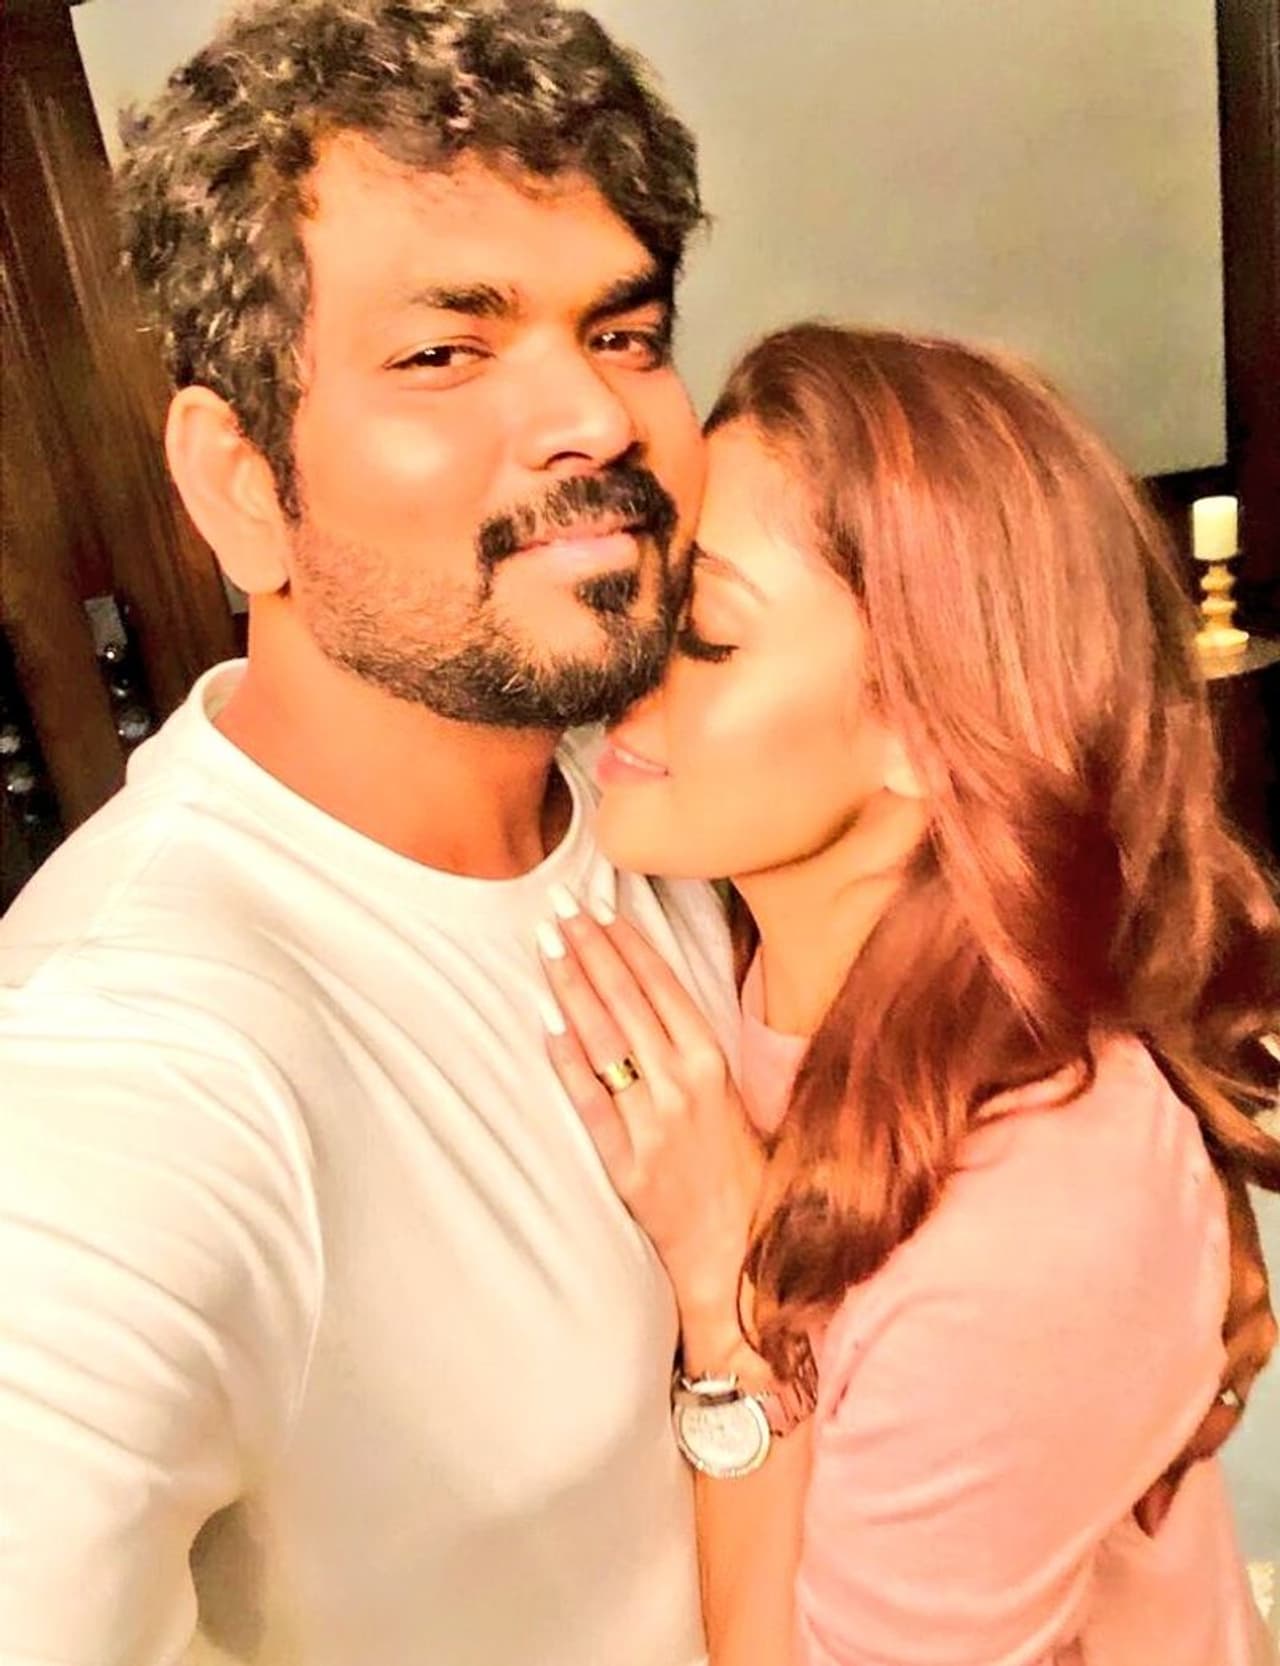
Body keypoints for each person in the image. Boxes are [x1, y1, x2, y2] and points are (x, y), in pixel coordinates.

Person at [0, 4, 740, 1663]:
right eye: (444, 354)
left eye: (626, 332)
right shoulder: (121, 1053)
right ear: (239, 482)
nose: (596, 414)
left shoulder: (689, 786)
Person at [539, 324, 1280, 1666]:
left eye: (703, 632)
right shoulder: (732, 940)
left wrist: (728, 1303)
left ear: (932, 732)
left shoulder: (1033, 1218)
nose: (630, 663)